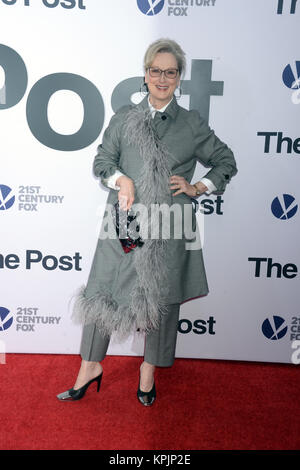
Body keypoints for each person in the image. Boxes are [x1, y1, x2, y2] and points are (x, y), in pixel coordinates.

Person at [57, 38, 237, 406]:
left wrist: (197, 185)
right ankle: (89, 366)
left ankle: (148, 371)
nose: (162, 78)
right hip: (124, 221)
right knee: (103, 292)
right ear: (145, 74)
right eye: (155, 70)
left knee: (163, 299)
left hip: (170, 224)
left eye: (170, 72)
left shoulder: (191, 124)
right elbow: (102, 161)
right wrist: (121, 179)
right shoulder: (125, 118)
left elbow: (225, 161)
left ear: (179, 78)